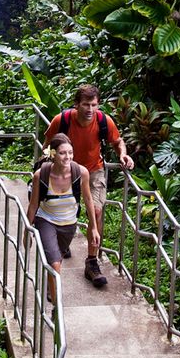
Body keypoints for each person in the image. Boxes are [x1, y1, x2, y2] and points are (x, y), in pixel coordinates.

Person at [43, 84, 134, 288]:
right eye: (86, 104)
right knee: (65, 208)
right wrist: (48, 167)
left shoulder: (103, 121)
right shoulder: (63, 120)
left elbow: (118, 141)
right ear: (77, 105)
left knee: (97, 209)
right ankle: (64, 242)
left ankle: (92, 262)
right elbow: (47, 144)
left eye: (94, 104)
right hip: (67, 169)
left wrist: (122, 154)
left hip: (94, 170)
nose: (90, 109)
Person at [26, 132, 100, 307]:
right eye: (62, 153)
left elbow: (88, 201)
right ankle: (55, 304)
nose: (67, 157)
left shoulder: (80, 173)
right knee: (55, 263)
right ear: (53, 154)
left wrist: (94, 228)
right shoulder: (40, 175)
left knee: (56, 261)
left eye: (70, 152)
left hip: (68, 224)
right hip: (46, 220)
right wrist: (27, 229)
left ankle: (50, 284)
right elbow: (33, 204)